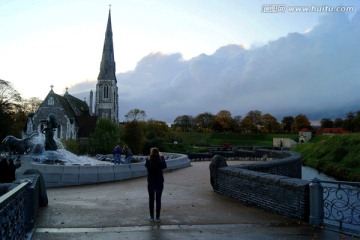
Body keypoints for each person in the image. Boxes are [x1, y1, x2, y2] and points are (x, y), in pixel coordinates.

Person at [145, 148, 167, 222]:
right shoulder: (160, 161)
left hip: (151, 181)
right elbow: (164, 166)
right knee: (158, 199)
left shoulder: (148, 160)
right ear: (158, 153)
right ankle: (157, 217)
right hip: (159, 181)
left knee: (151, 199)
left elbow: (146, 165)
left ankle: (151, 216)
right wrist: (162, 157)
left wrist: (149, 157)